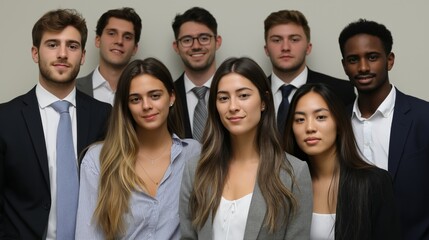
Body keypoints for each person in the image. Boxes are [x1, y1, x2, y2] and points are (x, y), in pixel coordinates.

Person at [0, 9, 111, 239]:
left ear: (82, 55)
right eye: (52, 44)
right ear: (35, 53)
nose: (62, 54)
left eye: (72, 46)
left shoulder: (103, 115)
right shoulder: (6, 118)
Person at [180, 57, 313, 239]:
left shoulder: (293, 173)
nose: (233, 107)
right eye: (223, 98)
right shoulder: (195, 169)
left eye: (243, 95)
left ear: (264, 101)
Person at [75, 58, 201, 239]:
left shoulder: (193, 154)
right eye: (135, 99)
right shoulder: (98, 159)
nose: (146, 106)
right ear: (126, 106)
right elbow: (87, 235)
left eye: (155, 96)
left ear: (171, 97)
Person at [339, 19, 429, 240]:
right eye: (353, 59)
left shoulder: (423, 117)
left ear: (389, 60)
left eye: (372, 57)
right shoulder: (336, 123)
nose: (362, 67)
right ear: (344, 66)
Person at [284, 83, 400, 239]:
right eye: (299, 119)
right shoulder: (285, 186)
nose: (309, 127)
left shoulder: (374, 183)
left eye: (321, 117)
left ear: (338, 123)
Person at [263, 9, 355, 134]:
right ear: (266, 49)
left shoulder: (340, 91)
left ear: (308, 48)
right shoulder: (254, 93)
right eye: (276, 40)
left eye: (294, 39)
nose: (285, 47)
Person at [172, 7, 222, 142]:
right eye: (187, 40)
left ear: (217, 42)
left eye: (204, 38)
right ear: (176, 47)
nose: (196, 46)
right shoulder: (165, 96)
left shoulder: (236, 92)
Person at [76, 7, 142, 105]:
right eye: (111, 33)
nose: (119, 41)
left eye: (127, 37)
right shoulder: (73, 88)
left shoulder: (143, 90)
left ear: (134, 48)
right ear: (98, 41)